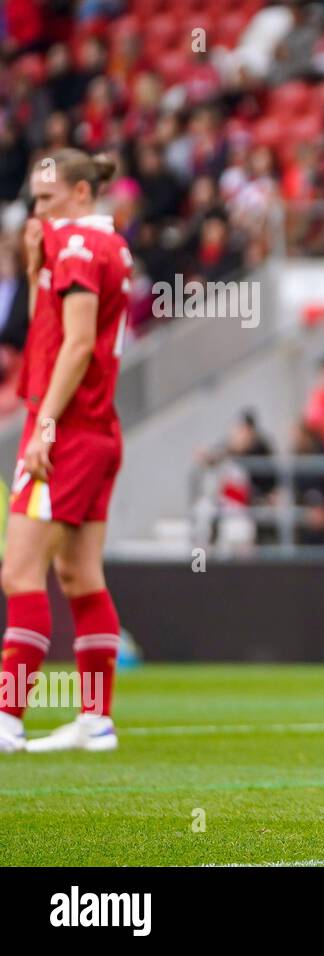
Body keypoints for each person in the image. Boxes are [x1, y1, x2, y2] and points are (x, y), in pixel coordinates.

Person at [0, 149, 131, 753]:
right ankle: (96, 720)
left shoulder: (78, 246)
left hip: (67, 431)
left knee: (19, 571)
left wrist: (45, 426)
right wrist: (32, 270)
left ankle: (7, 718)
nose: (38, 211)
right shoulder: (97, 246)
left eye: (49, 199)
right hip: (97, 431)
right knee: (79, 574)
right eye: (34, 199)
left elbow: (76, 346)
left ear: (82, 194)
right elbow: (48, 333)